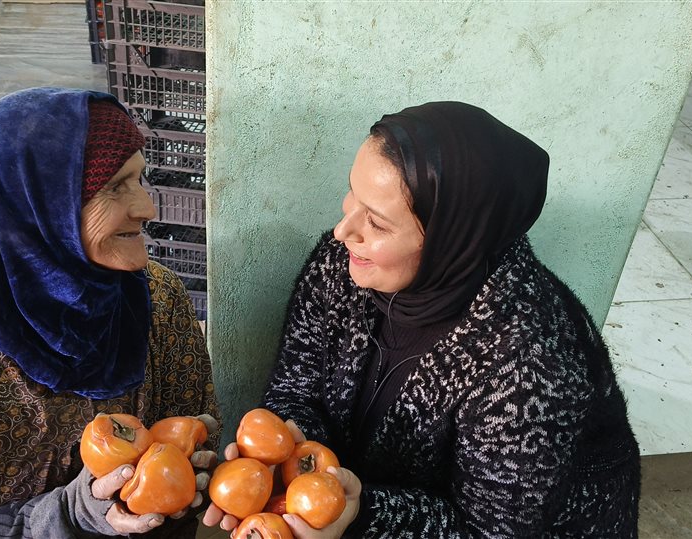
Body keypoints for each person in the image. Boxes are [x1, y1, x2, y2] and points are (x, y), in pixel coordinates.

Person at [205, 102, 639, 538]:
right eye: (352, 193)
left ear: (451, 241)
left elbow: (487, 532)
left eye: (377, 223)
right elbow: (295, 389)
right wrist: (286, 452)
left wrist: (360, 515)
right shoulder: (341, 266)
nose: (342, 230)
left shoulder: (531, 370)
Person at [0, 87, 220, 538]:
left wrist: (188, 468)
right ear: (36, 208)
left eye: (139, 178)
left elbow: (188, 448)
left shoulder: (158, 300)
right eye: (114, 187)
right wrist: (70, 514)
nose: (147, 207)